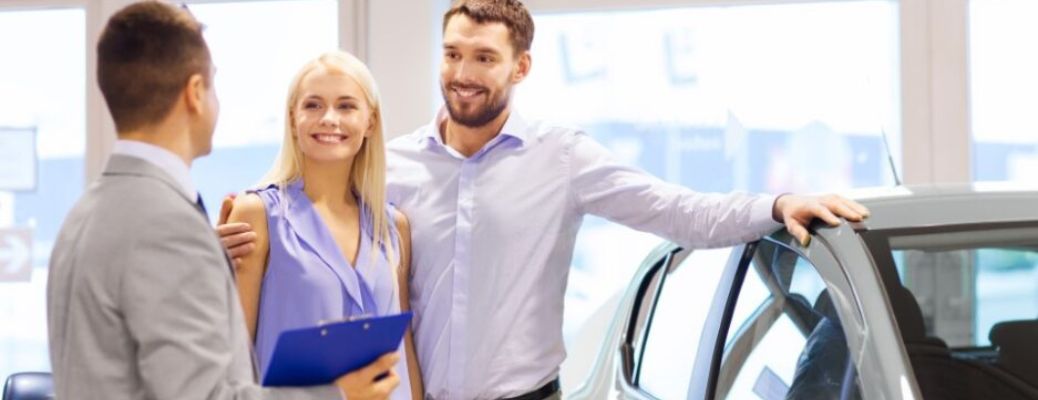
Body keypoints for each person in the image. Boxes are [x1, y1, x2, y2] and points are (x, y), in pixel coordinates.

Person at [219, 1, 871, 398]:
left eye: (483, 57)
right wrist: (219, 251)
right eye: (450, 54)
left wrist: (776, 204)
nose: (462, 73)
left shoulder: (564, 159)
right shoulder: (393, 172)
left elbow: (676, 211)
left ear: (520, 67)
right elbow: (316, 225)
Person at [47, 2, 398, 399]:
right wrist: (338, 395)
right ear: (196, 93)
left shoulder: (84, 214)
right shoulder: (169, 228)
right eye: (214, 84)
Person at [224, 50, 422, 400]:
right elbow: (233, 364)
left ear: (370, 122)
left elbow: (403, 351)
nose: (329, 118)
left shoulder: (393, 227)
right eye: (313, 105)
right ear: (292, 119)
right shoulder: (257, 214)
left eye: (346, 106)